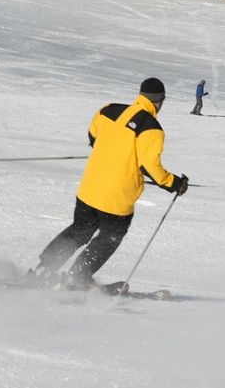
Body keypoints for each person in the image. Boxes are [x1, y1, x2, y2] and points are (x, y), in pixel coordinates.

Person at [32, 78, 189, 290]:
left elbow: (93, 135)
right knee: (109, 237)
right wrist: (175, 183)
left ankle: (45, 268)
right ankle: (77, 277)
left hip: (89, 188)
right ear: (159, 102)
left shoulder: (108, 110)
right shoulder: (151, 128)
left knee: (79, 229)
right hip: (117, 199)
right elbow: (150, 167)